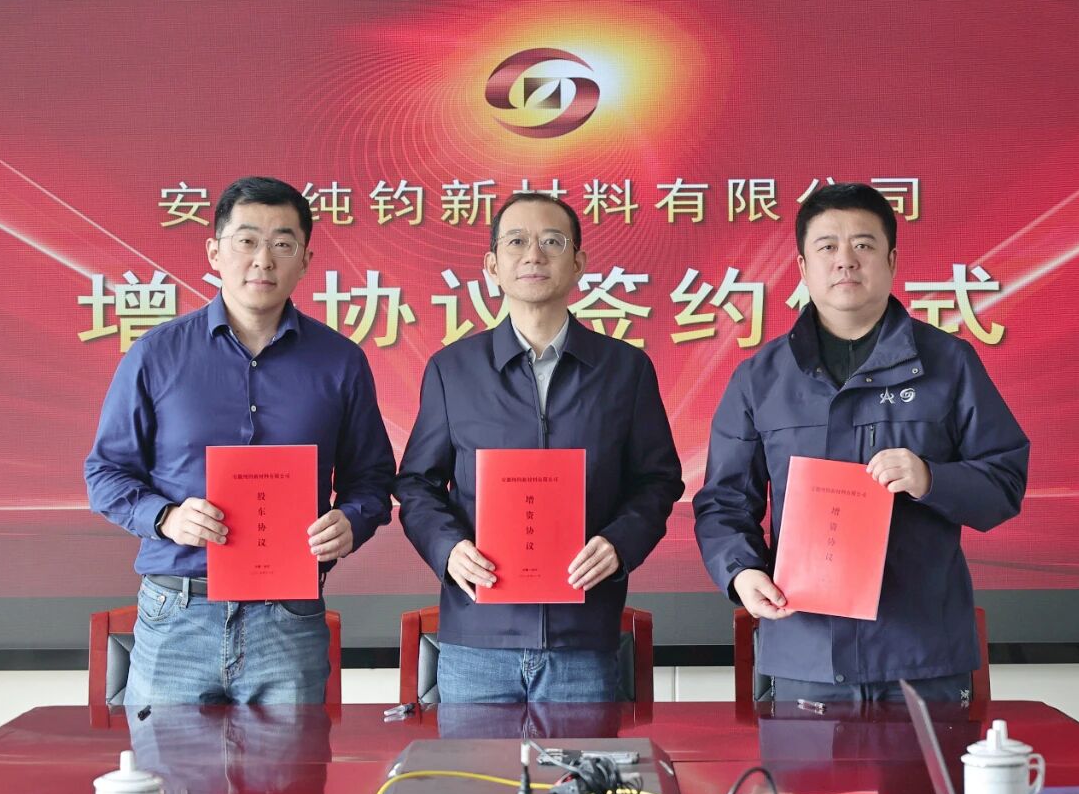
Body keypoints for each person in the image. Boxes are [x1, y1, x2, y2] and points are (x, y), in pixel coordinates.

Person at [694, 182, 1028, 702]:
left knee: (928, 764)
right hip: (805, 653)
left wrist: (931, 479)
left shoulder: (949, 364)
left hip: (921, 655)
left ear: (892, 260)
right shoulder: (759, 378)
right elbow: (724, 501)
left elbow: (1004, 482)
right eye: (827, 246)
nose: (845, 260)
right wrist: (742, 572)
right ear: (803, 267)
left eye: (864, 245)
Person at [85, 176, 395, 704]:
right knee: (166, 760)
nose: (263, 260)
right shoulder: (156, 355)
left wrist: (353, 520)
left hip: (289, 617)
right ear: (215, 252)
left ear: (306, 260)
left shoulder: (340, 362)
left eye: (283, 244)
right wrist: (166, 517)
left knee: (293, 761)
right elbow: (105, 472)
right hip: (179, 612)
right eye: (247, 240)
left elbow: (373, 476)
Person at [396, 191, 683, 703]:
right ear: (493, 265)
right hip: (477, 641)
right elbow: (417, 484)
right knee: (473, 761)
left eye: (552, 242)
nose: (534, 254)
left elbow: (657, 482)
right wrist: (449, 549)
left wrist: (619, 543)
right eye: (516, 241)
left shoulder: (624, 370)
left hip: (583, 640)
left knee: (581, 762)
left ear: (579, 263)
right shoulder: (452, 370)